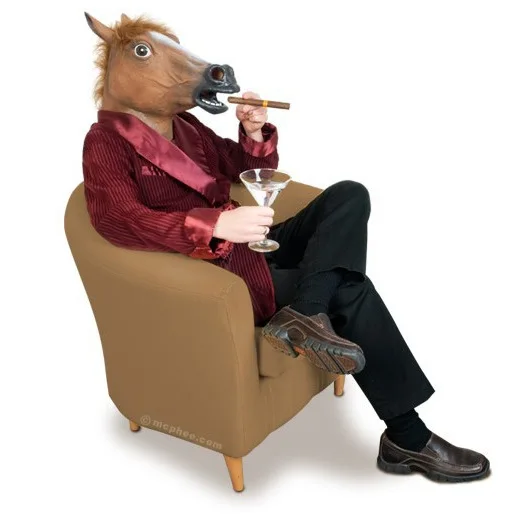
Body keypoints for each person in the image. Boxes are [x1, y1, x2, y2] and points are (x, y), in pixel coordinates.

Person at [82, 13, 490, 483]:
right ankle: (407, 437)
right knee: (350, 290)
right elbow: (117, 220)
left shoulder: (186, 127)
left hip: (252, 245)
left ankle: (307, 311)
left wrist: (253, 132)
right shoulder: (104, 142)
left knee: (349, 194)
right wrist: (214, 224)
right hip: (220, 270)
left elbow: (237, 166)